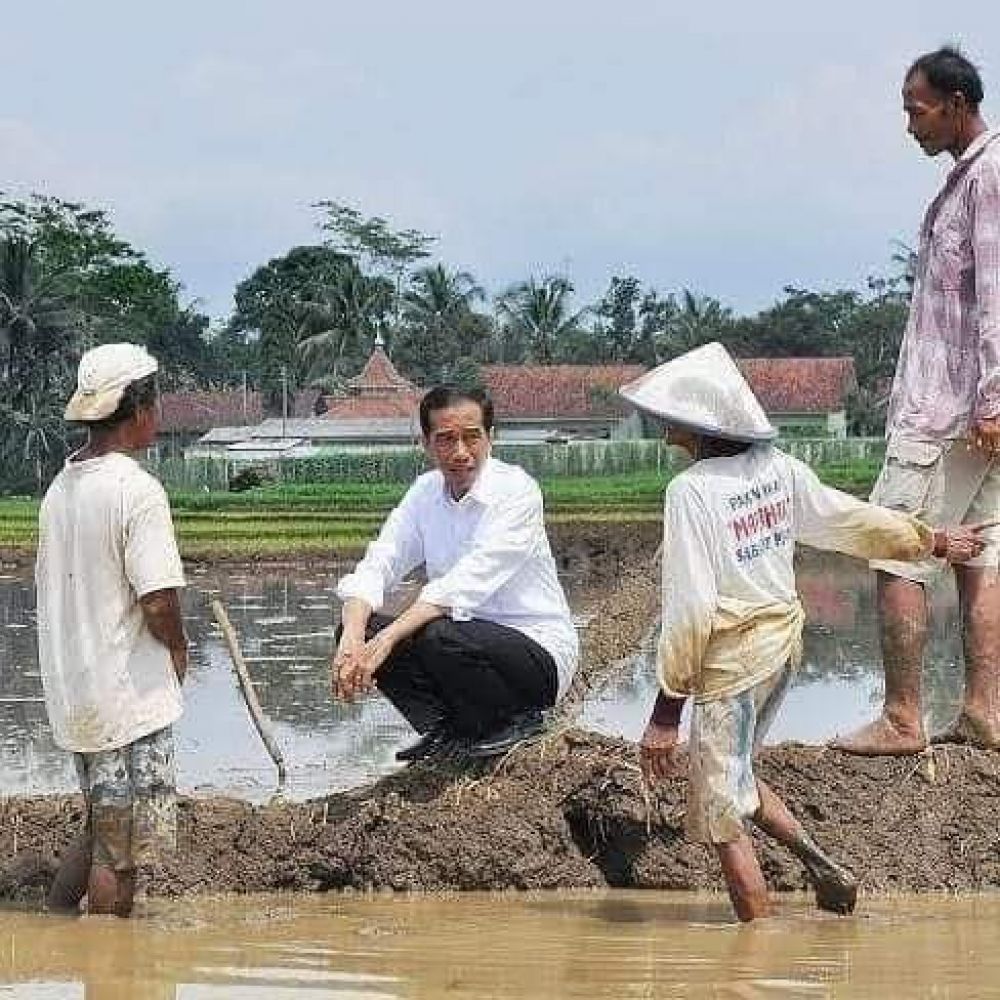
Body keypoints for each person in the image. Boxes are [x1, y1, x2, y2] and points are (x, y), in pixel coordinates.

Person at [621, 343, 986, 922]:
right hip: (782, 648)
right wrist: (933, 541)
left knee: (719, 813)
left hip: (732, 661)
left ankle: (757, 942)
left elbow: (690, 609)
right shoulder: (779, 470)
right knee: (733, 772)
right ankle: (822, 865)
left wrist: (665, 715)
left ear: (698, 425)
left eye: (671, 421)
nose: (666, 432)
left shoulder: (690, 492)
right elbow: (847, 522)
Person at [832, 47, 1000, 756]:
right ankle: (985, 712)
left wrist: (993, 399)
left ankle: (903, 717)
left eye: (916, 108)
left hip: (949, 411)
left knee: (894, 547)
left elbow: (997, 294)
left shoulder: (988, 177)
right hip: (972, 410)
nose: (910, 125)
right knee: (982, 554)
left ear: (957, 104)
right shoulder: (968, 179)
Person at [332, 386, 578, 761]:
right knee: (364, 627)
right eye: (446, 440)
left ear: (491, 438)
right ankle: (447, 726)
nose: (461, 453)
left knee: (432, 634)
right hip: (460, 642)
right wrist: (352, 640)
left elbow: (463, 585)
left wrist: (387, 641)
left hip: (534, 653)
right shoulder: (424, 493)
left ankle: (516, 720)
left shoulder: (517, 491)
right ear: (426, 444)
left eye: (472, 437)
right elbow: (380, 562)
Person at [36, 343, 188, 917]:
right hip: (126, 697)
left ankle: (54, 921)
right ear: (142, 407)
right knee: (120, 853)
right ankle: (108, 955)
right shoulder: (135, 490)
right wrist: (178, 648)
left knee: (104, 824)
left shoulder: (63, 486)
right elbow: (156, 599)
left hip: (78, 688)